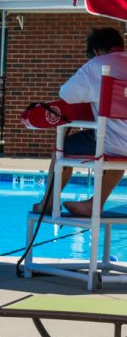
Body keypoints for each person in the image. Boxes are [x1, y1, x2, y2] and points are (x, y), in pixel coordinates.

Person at [53, 25, 127, 216]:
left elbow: (66, 95)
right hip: (122, 147)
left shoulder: (97, 65)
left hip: (111, 143)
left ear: (96, 51)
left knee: (63, 145)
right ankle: (93, 203)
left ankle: (47, 202)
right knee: (118, 156)